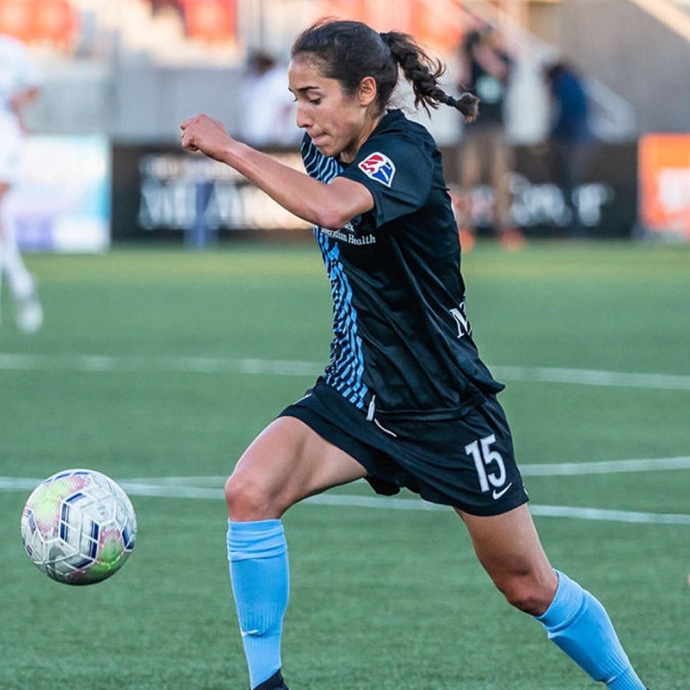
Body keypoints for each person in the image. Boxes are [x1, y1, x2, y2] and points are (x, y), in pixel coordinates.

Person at [180, 19, 648, 690]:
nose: (301, 115)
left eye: (313, 97)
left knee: (527, 585)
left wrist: (229, 148)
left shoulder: (404, 151)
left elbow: (333, 209)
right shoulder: (322, 148)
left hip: (444, 405)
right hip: (359, 391)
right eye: (295, 99)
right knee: (249, 491)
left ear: (366, 92)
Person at [455, 26, 526, 251]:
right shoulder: (472, 59)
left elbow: (501, 72)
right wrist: (466, 55)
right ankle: (465, 228)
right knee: (467, 177)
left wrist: (482, 54)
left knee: (500, 178)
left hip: (496, 127)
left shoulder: (504, 58)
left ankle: (505, 228)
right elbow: (462, 83)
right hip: (472, 127)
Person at [0, 33, 43, 333]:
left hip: (5, 134)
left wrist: (19, 103)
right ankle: (19, 279)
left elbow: (34, 85)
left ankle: (18, 279)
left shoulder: (12, 49)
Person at [545, 60, 594, 238]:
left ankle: (574, 228)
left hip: (571, 141)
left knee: (569, 183)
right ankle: (573, 226)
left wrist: (554, 134)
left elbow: (566, 114)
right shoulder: (575, 82)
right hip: (578, 139)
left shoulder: (564, 85)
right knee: (571, 184)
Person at [236, 49, 302, 149]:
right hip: (253, 137)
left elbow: (286, 106)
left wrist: (278, 133)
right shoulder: (251, 79)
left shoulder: (279, 77)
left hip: (274, 140)